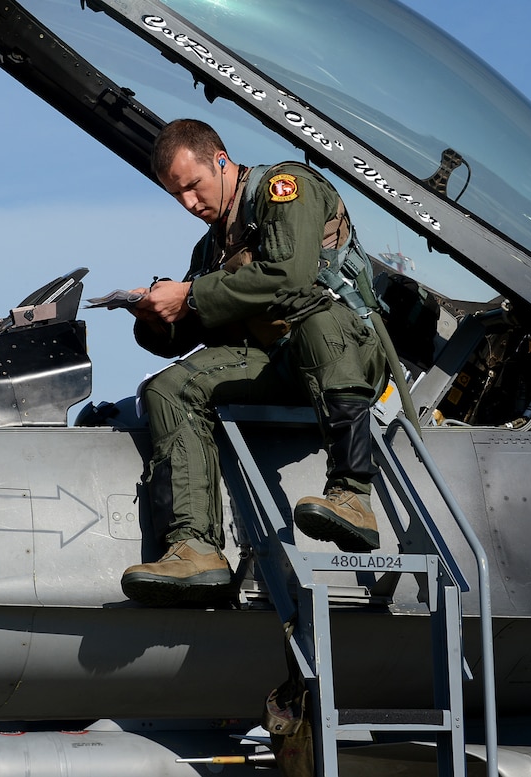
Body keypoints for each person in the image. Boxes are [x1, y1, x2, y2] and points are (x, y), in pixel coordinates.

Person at [120, 119, 388, 607]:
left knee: (316, 319)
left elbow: (291, 275)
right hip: (278, 363)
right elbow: (194, 323)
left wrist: (193, 295)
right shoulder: (211, 246)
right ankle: (195, 547)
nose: (188, 204)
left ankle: (353, 495)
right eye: (176, 195)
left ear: (220, 160)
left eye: (193, 186)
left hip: (348, 349)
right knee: (169, 389)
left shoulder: (285, 188)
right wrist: (157, 315)